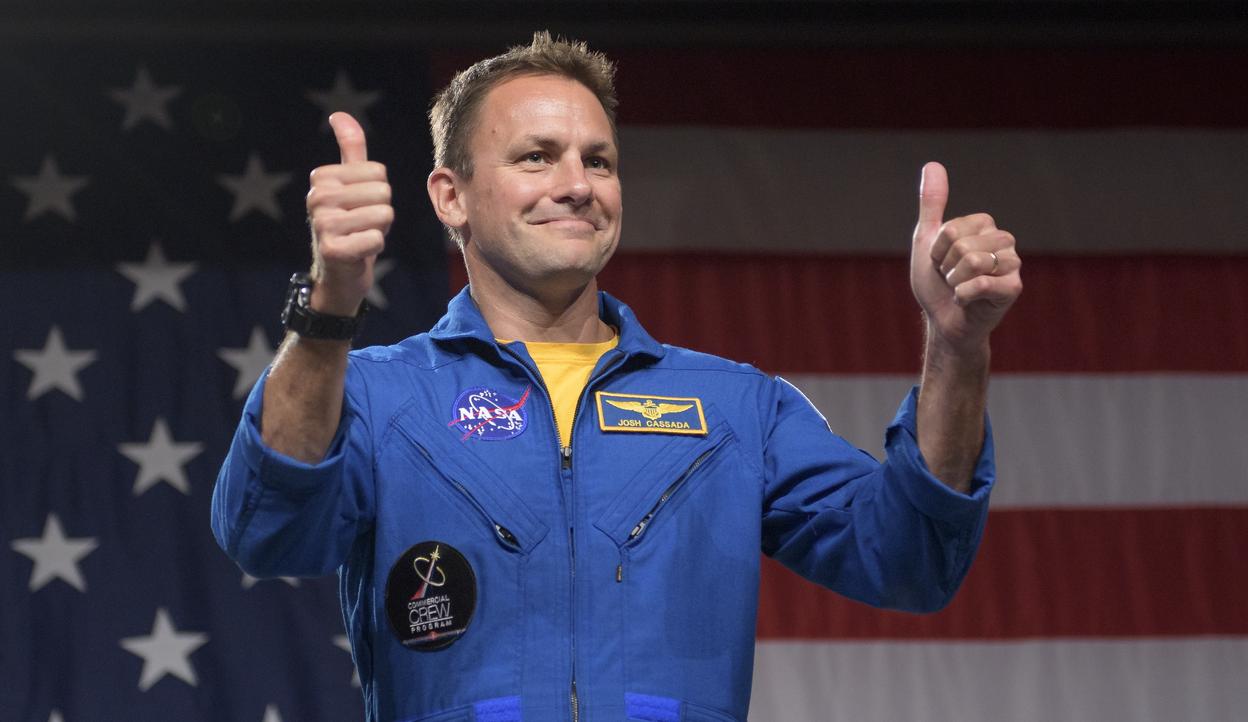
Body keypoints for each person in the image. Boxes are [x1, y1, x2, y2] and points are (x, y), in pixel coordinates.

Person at [212, 32, 1022, 722]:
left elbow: (910, 560)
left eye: (598, 160)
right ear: (450, 197)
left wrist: (955, 345)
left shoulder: (736, 406)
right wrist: (330, 307)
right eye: (537, 157)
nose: (577, 184)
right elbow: (265, 530)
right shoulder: (381, 396)